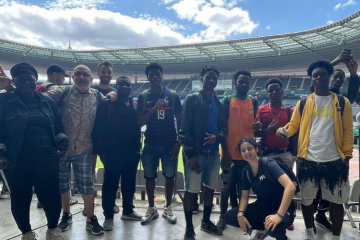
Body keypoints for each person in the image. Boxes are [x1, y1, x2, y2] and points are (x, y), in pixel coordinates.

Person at [277, 60, 353, 240]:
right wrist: (283, 130)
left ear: (329, 77)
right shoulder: (303, 103)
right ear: (311, 80)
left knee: (337, 201)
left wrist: (347, 157)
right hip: (307, 160)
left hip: (335, 160)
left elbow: (348, 131)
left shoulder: (342, 102)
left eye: (323, 74)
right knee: (307, 199)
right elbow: (293, 125)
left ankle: (336, 236)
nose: (319, 77)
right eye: (315, 75)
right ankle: (309, 233)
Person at [0, 63, 69, 240]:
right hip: (16, 159)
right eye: (20, 79)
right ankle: (27, 233)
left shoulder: (47, 101)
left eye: (29, 79)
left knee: (51, 195)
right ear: (14, 81)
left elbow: (58, 125)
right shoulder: (4, 102)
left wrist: (62, 139)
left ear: (35, 80)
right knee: (21, 197)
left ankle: (52, 229)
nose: (25, 83)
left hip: (47, 157)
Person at [44, 65, 106, 235]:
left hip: (85, 148)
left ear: (91, 79)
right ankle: (66, 214)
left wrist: (114, 94)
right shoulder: (61, 92)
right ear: (72, 77)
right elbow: (40, 99)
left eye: (85, 74)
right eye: (78, 74)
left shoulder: (96, 95)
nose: (81, 77)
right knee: (63, 185)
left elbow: (110, 99)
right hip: (62, 149)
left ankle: (91, 218)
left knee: (87, 185)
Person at [179, 66, 228, 239]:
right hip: (197, 153)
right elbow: (184, 129)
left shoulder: (219, 102)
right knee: (191, 190)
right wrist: (190, 154)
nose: (212, 80)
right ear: (202, 79)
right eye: (209, 77)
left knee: (209, 189)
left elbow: (223, 128)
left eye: (215, 78)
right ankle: (189, 228)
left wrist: (217, 137)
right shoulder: (192, 99)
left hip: (213, 154)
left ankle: (206, 222)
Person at [92, 76, 142, 231]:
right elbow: (98, 128)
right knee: (110, 185)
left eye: (128, 85)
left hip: (131, 152)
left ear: (131, 88)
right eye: (122, 84)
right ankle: (108, 216)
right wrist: (101, 152)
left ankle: (128, 210)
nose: (125, 87)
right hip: (112, 152)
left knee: (129, 183)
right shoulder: (108, 104)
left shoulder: (133, 105)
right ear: (116, 86)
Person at [224, 138, 296, 240]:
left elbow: (290, 187)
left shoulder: (269, 164)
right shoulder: (246, 171)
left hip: (282, 208)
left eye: (250, 148)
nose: (247, 152)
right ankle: (264, 228)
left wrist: (278, 215)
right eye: (243, 150)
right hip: (262, 206)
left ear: (256, 149)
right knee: (229, 217)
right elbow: (244, 197)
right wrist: (240, 215)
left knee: (275, 226)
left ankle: (281, 236)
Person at [137, 62, 182, 225]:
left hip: (170, 144)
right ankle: (151, 208)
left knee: (169, 177)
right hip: (150, 144)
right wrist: (154, 109)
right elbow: (139, 123)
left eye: (158, 74)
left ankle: (168, 207)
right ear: (148, 77)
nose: (155, 77)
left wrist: (179, 142)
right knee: (149, 177)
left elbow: (181, 120)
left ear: (162, 76)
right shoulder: (143, 97)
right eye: (151, 75)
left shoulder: (173, 95)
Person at [216, 70, 257, 230]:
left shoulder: (253, 101)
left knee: (244, 189)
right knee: (226, 188)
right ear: (235, 83)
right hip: (230, 155)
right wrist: (225, 152)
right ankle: (222, 217)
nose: (244, 84)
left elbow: (255, 125)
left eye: (247, 82)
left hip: (247, 156)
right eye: (241, 82)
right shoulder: (227, 101)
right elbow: (221, 128)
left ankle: (240, 216)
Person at [90, 60, 119, 214]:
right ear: (98, 73)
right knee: (90, 172)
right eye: (103, 71)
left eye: (109, 72)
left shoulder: (117, 92)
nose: (106, 74)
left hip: (108, 139)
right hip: (90, 136)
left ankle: (110, 202)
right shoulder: (90, 90)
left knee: (111, 171)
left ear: (112, 74)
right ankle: (90, 203)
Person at [253, 78, 294, 170]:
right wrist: (266, 131)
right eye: (271, 91)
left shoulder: (290, 111)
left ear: (282, 91)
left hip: (285, 154)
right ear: (267, 94)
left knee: (286, 183)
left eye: (277, 90)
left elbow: (295, 133)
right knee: (267, 183)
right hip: (266, 153)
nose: (274, 92)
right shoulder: (261, 110)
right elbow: (254, 133)